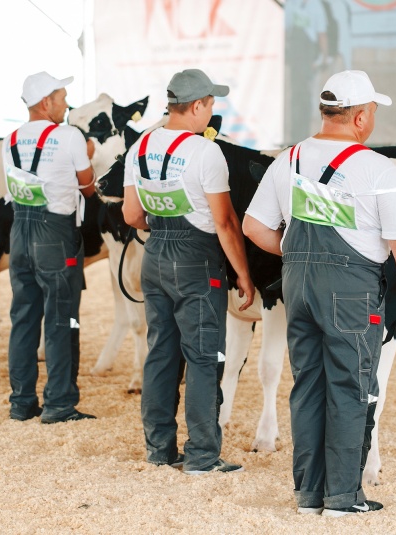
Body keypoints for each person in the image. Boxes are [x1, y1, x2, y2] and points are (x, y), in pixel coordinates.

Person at [243, 70, 396, 517]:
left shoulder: (286, 159)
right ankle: (344, 498)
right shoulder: (376, 167)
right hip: (351, 291)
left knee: (308, 385)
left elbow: (254, 226)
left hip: (298, 285)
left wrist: (294, 254)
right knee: (351, 387)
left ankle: (309, 496)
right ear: (362, 117)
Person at [122, 68, 255, 474]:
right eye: (211, 104)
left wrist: (162, 223)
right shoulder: (204, 152)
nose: (212, 112)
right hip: (197, 262)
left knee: (161, 353)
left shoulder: (140, 147)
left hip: (156, 255)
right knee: (202, 357)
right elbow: (226, 223)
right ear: (197, 106)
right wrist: (244, 276)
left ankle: (159, 449)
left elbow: (131, 215)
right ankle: (201, 455)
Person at [4, 71, 96, 423]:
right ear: (46, 103)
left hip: (20, 229)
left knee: (24, 318)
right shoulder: (70, 136)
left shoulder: (9, 138)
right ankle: (59, 404)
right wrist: (86, 154)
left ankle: (21, 402)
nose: (66, 104)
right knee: (62, 318)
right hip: (55, 234)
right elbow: (87, 187)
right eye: (61, 98)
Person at [285, 0, 330, 144]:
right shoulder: (292, 4)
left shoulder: (316, 6)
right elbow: (286, 30)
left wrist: (323, 56)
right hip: (295, 53)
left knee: (304, 95)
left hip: (307, 52)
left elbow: (322, 34)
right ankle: (295, 134)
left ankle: (302, 134)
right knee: (295, 95)